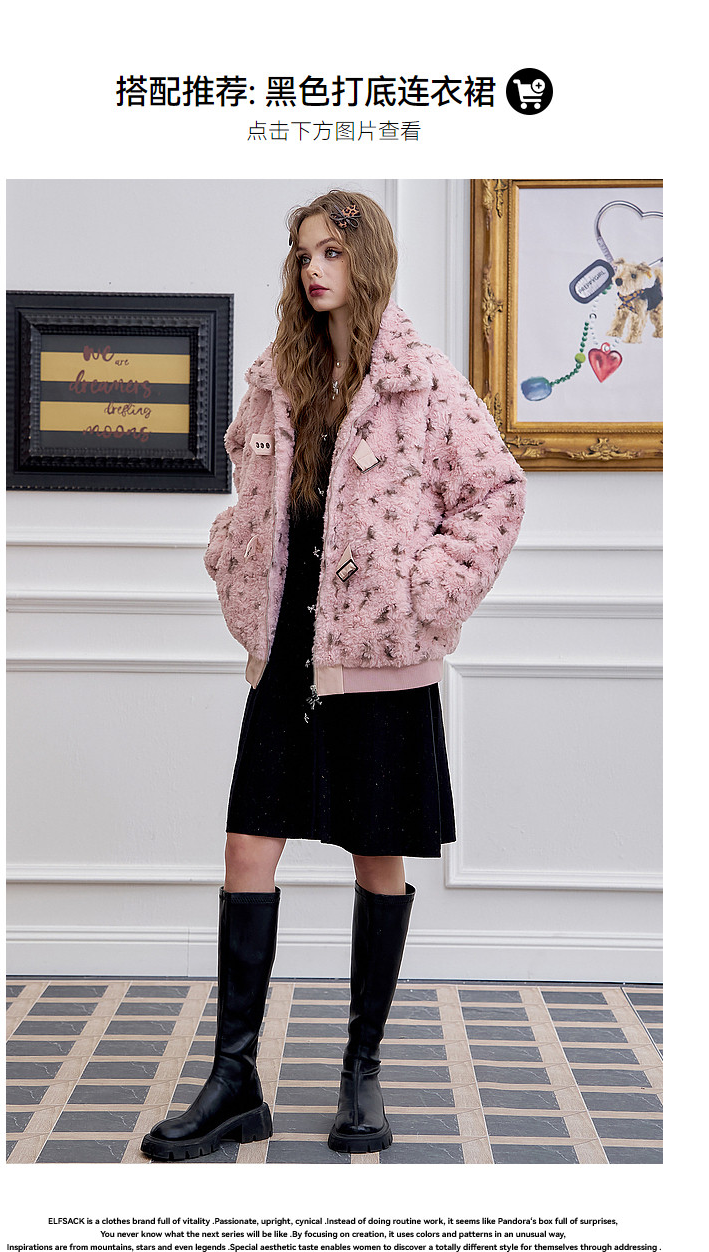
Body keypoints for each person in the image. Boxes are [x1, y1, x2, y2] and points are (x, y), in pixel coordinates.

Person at [141, 190, 526, 1162]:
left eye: (332, 253)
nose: (315, 269)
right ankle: (234, 1081)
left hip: (382, 662)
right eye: (305, 254)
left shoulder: (422, 381)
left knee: (376, 859)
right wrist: (234, 558)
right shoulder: (280, 376)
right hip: (288, 653)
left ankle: (362, 1067)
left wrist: (422, 593)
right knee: (246, 851)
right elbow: (251, 503)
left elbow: (495, 492)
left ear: (369, 260)